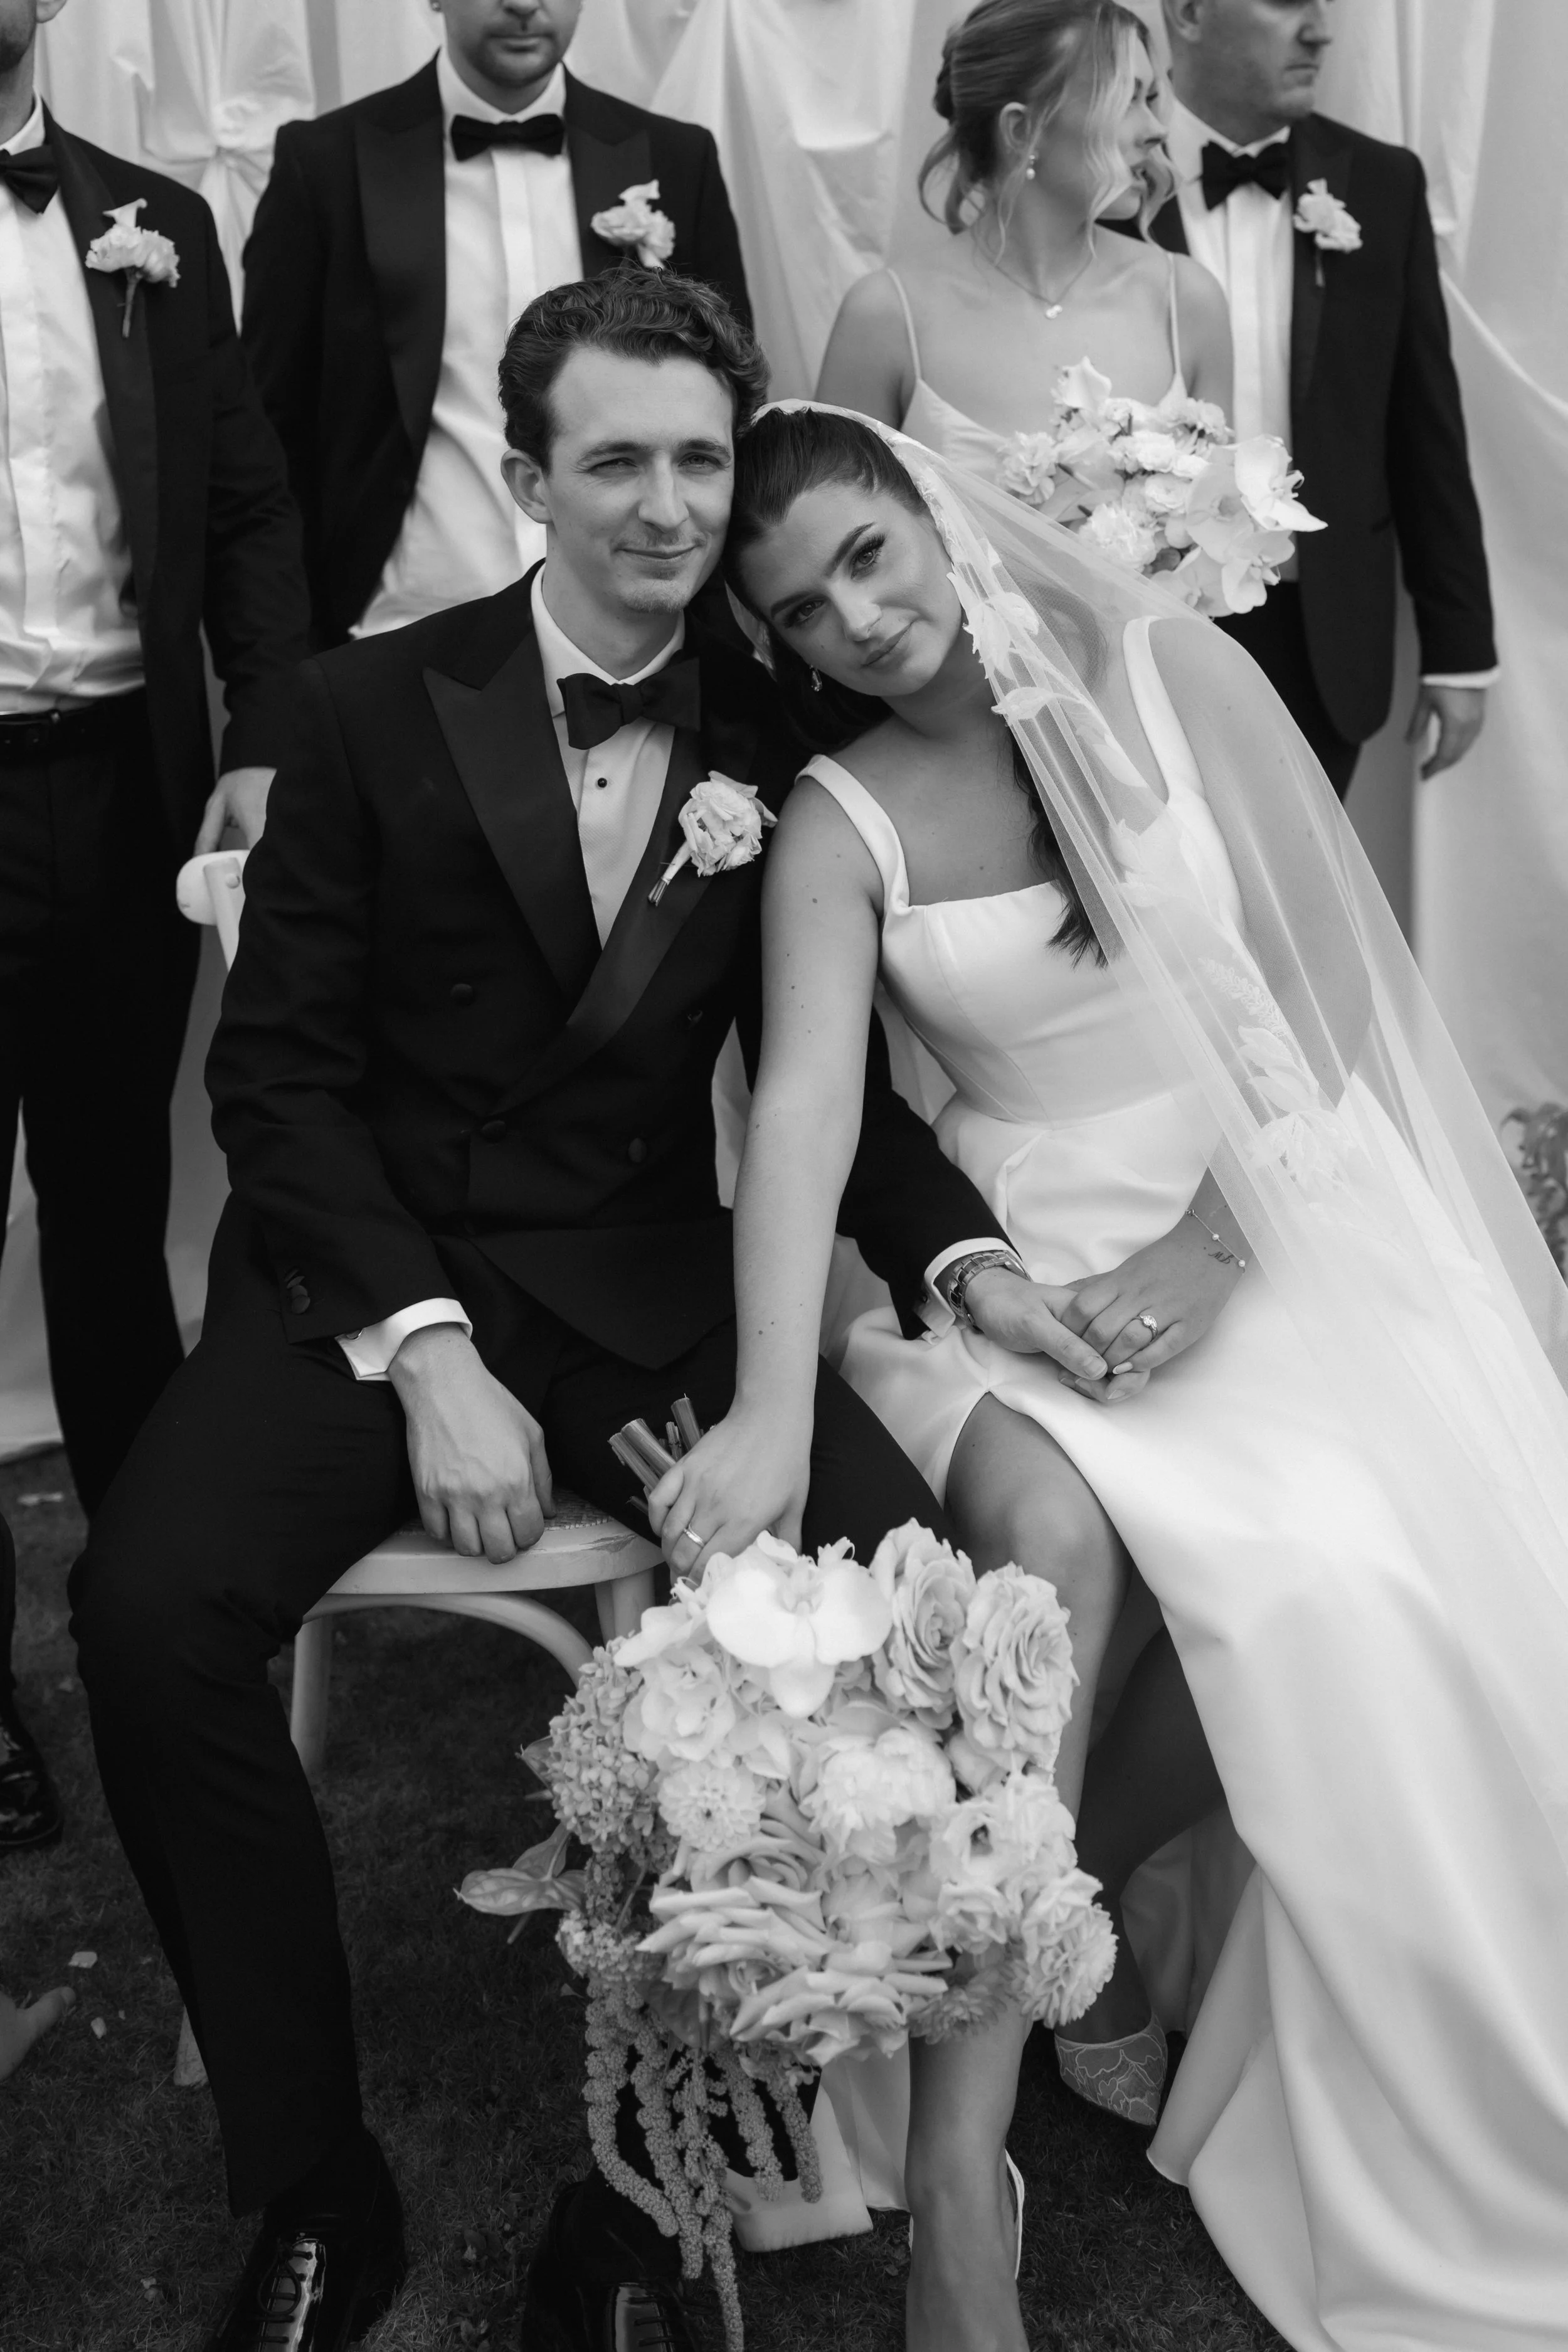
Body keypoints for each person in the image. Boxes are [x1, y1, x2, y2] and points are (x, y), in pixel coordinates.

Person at [66, 273, 1099, 2352]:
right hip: (376, 1283)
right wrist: (425, 1354)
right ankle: (314, 2188)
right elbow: (273, 1086)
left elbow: (834, 1090)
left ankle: (654, 2201)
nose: (663, 503)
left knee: (881, 1636)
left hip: (647, 1281)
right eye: (613, 458)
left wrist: (972, 1262)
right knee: (145, 1612)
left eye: (700, 459)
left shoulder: (780, 739)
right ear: (526, 473)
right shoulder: (365, 707)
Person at [651, 400, 1568, 2352]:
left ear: (935, 511)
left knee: (1341, 1570)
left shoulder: (1164, 674)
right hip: (1014, 1264)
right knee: (1063, 1576)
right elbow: (806, 1109)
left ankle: (1087, 1922)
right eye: (804, 609)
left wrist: (1208, 1249)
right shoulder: (837, 818)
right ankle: (962, 2196)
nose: (858, 617)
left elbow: (1327, 1005)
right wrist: (761, 1400)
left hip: (1268, 1206)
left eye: (869, 554)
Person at [0, 0, 309, 1855]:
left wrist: (266, 741)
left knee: (116, 1233)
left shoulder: (153, 222)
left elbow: (250, 505)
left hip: (121, 788)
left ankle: (148, 1639)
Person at [241, 0, 751, 647]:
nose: (523, 3)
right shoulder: (324, 162)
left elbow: (729, 405)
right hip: (402, 623)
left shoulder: (676, 158)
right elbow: (269, 435)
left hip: (634, 635)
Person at [1148, 0, 1495, 798]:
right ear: (1190, 12)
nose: (1319, 30)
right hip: (1144, 624)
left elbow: (1423, 427)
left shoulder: (1380, 182)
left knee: (1296, 909)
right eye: (1286, 2)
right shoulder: (1098, 180)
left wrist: (1459, 648)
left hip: (1322, 630)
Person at [816, 0, 1232, 463]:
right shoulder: (885, 319)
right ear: (1021, 130)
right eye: (1124, 100)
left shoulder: (1186, 302)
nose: (1156, 130)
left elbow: (1225, 522)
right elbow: (829, 522)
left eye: (1151, 98)